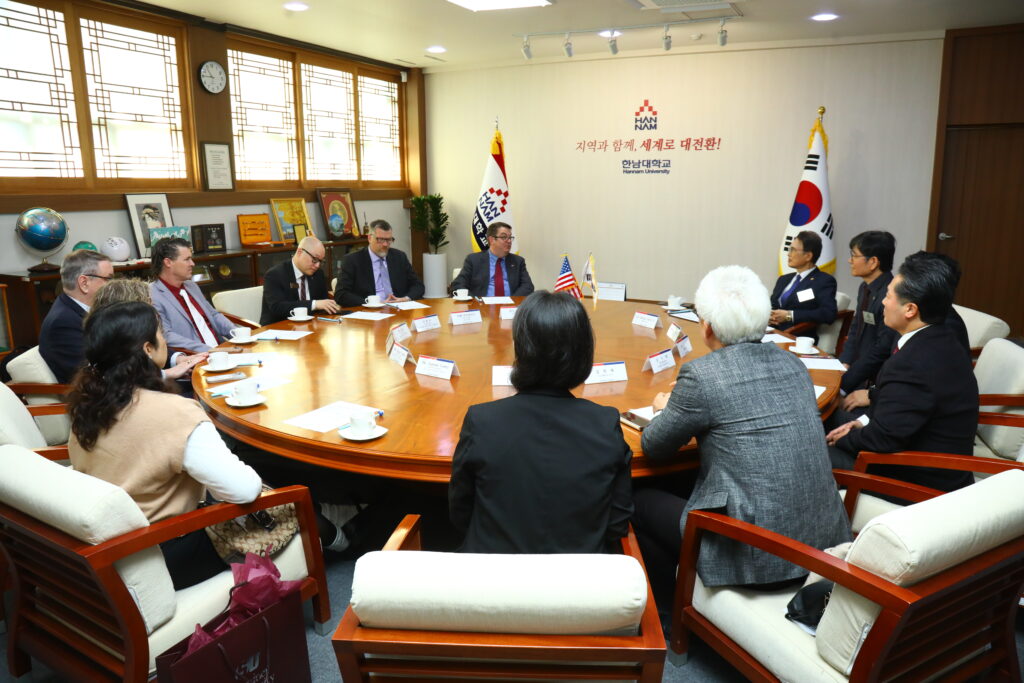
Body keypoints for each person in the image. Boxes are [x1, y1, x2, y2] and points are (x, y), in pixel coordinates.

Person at [634, 265, 850, 608]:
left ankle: (670, 614)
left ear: (706, 327)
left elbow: (654, 447)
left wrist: (665, 408)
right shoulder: (793, 364)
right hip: (823, 545)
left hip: (756, 555)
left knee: (637, 498)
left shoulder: (702, 375)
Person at [66, 302, 262, 589]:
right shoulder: (175, 412)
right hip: (168, 549)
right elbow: (243, 491)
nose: (165, 339)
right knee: (295, 502)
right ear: (147, 349)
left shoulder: (85, 407)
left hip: (111, 549)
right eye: (161, 332)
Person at [449, 290, 632, 554]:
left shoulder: (482, 421)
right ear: (583, 351)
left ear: (521, 348)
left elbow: (460, 512)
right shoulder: (604, 423)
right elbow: (616, 524)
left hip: (491, 575)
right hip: (581, 578)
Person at [826, 251, 978, 492]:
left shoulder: (914, 362)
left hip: (919, 479)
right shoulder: (937, 335)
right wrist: (859, 424)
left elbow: (883, 439)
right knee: (830, 420)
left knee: (809, 453)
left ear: (910, 309)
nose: (883, 303)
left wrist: (846, 439)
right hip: (917, 447)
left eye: (888, 296)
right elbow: (902, 405)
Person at [838, 231, 898, 396]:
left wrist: (846, 383)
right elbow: (855, 327)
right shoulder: (865, 287)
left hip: (874, 378)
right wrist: (844, 362)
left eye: (854, 255)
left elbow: (882, 348)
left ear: (873, 262)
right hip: (857, 368)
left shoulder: (890, 295)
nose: (850, 260)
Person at [39, 250, 113, 383]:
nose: (112, 285)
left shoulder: (83, 310)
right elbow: (89, 375)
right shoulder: (63, 323)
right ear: (84, 283)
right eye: (108, 279)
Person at [149, 238, 235, 352]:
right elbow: (166, 335)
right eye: (187, 259)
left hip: (222, 349)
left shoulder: (191, 286)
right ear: (168, 262)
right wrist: (209, 350)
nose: (192, 263)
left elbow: (213, 315)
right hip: (195, 355)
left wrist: (237, 333)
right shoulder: (152, 295)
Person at [334, 220, 424, 307]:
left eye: (389, 240)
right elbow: (341, 294)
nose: (385, 244)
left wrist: (405, 298)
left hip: (398, 308)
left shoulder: (399, 257)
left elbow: (418, 285)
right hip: (370, 311)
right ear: (369, 238)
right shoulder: (352, 260)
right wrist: (370, 303)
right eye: (380, 240)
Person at [768, 230, 837, 336]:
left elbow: (828, 313)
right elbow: (773, 304)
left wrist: (790, 315)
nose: (788, 254)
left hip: (796, 337)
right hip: (770, 331)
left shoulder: (823, 281)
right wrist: (768, 316)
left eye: (793, 250)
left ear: (808, 256)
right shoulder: (783, 279)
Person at [261, 236, 341, 324]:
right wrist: (314, 304)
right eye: (314, 259)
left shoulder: (318, 274)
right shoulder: (275, 275)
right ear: (300, 252)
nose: (317, 265)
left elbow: (323, 303)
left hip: (311, 325)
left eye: (320, 261)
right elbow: (277, 307)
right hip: (279, 326)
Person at [450, 222, 534, 297]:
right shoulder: (473, 260)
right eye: (504, 237)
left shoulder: (518, 261)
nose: (509, 241)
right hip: (482, 306)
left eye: (510, 237)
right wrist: (476, 302)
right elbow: (458, 285)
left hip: (510, 306)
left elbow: (528, 286)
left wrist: (512, 301)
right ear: (491, 240)